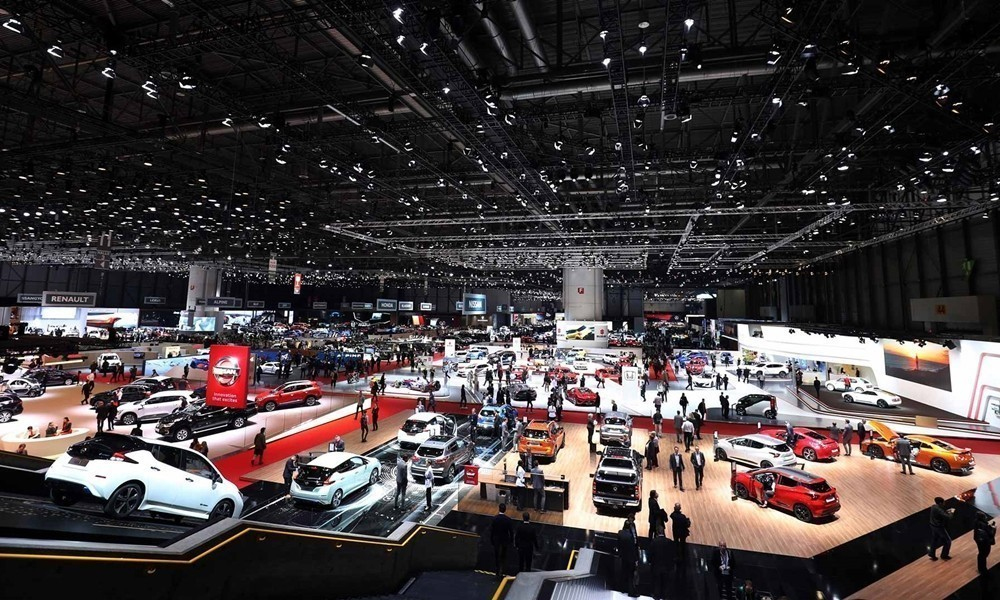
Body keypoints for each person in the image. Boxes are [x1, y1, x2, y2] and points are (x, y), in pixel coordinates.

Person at [490, 503, 515, 579]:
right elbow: (511, 531)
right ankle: (502, 568)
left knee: (496, 554)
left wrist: (491, 539)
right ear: (505, 510)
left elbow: (492, 530)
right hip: (504, 539)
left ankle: (497, 569)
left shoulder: (495, 518)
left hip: (496, 538)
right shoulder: (508, 519)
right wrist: (511, 540)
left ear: (499, 509)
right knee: (503, 554)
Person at [648, 524, 671, 600]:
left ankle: (657, 596)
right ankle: (666, 596)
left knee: (657, 582)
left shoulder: (654, 542)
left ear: (657, 532)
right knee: (666, 583)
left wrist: (650, 561)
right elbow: (672, 554)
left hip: (656, 566)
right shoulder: (669, 541)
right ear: (663, 532)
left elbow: (651, 554)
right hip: (666, 566)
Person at [617, 517, 639, 596]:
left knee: (623, 573)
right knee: (630, 575)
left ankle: (622, 589)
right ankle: (631, 592)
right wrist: (636, 559)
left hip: (623, 556)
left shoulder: (620, 533)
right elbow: (632, 548)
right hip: (630, 558)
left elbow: (619, 544)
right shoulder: (630, 536)